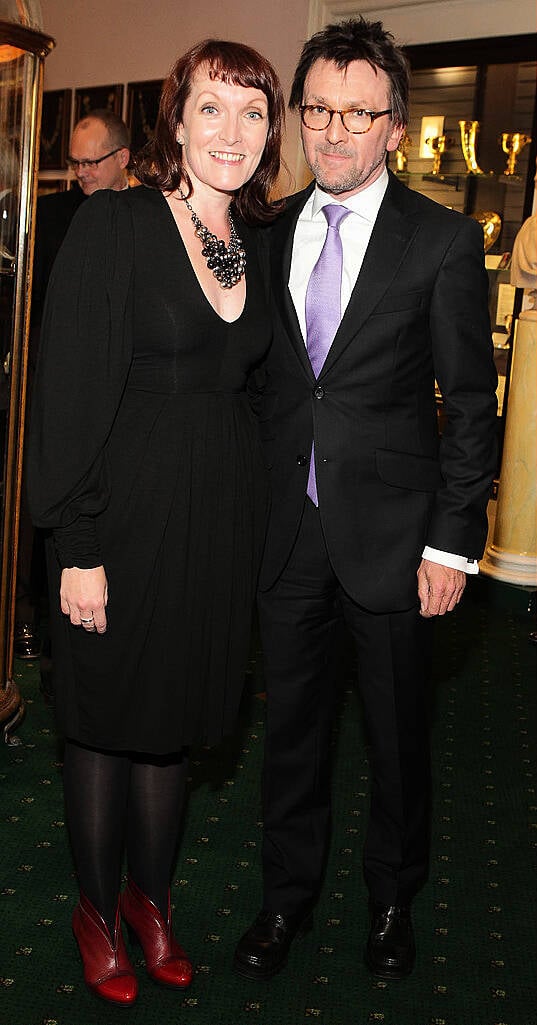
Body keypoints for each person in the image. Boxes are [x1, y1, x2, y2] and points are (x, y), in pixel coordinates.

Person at [233, 17, 498, 983]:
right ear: (298, 119)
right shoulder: (264, 232)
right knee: (291, 732)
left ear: (395, 125)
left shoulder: (441, 241)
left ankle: (393, 903)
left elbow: (471, 408)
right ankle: (282, 899)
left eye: (358, 114)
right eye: (318, 111)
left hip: (395, 540)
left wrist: (453, 543)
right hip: (286, 535)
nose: (334, 133)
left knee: (395, 739)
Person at [27, 39, 284, 1006]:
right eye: (211, 109)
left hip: (213, 527)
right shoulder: (119, 225)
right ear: (175, 122)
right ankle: (97, 912)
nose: (232, 132)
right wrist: (76, 547)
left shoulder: (256, 241)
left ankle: (151, 900)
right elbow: (69, 397)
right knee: (103, 723)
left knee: (170, 726)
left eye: (252, 114)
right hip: (118, 523)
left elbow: (257, 396)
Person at [15, 109, 131, 662]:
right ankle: (36, 617)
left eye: (93, 161)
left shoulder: (145, 218)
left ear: (123, 159)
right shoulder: (52, 214)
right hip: (50, 385)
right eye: (75, 162)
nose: (81, 172)